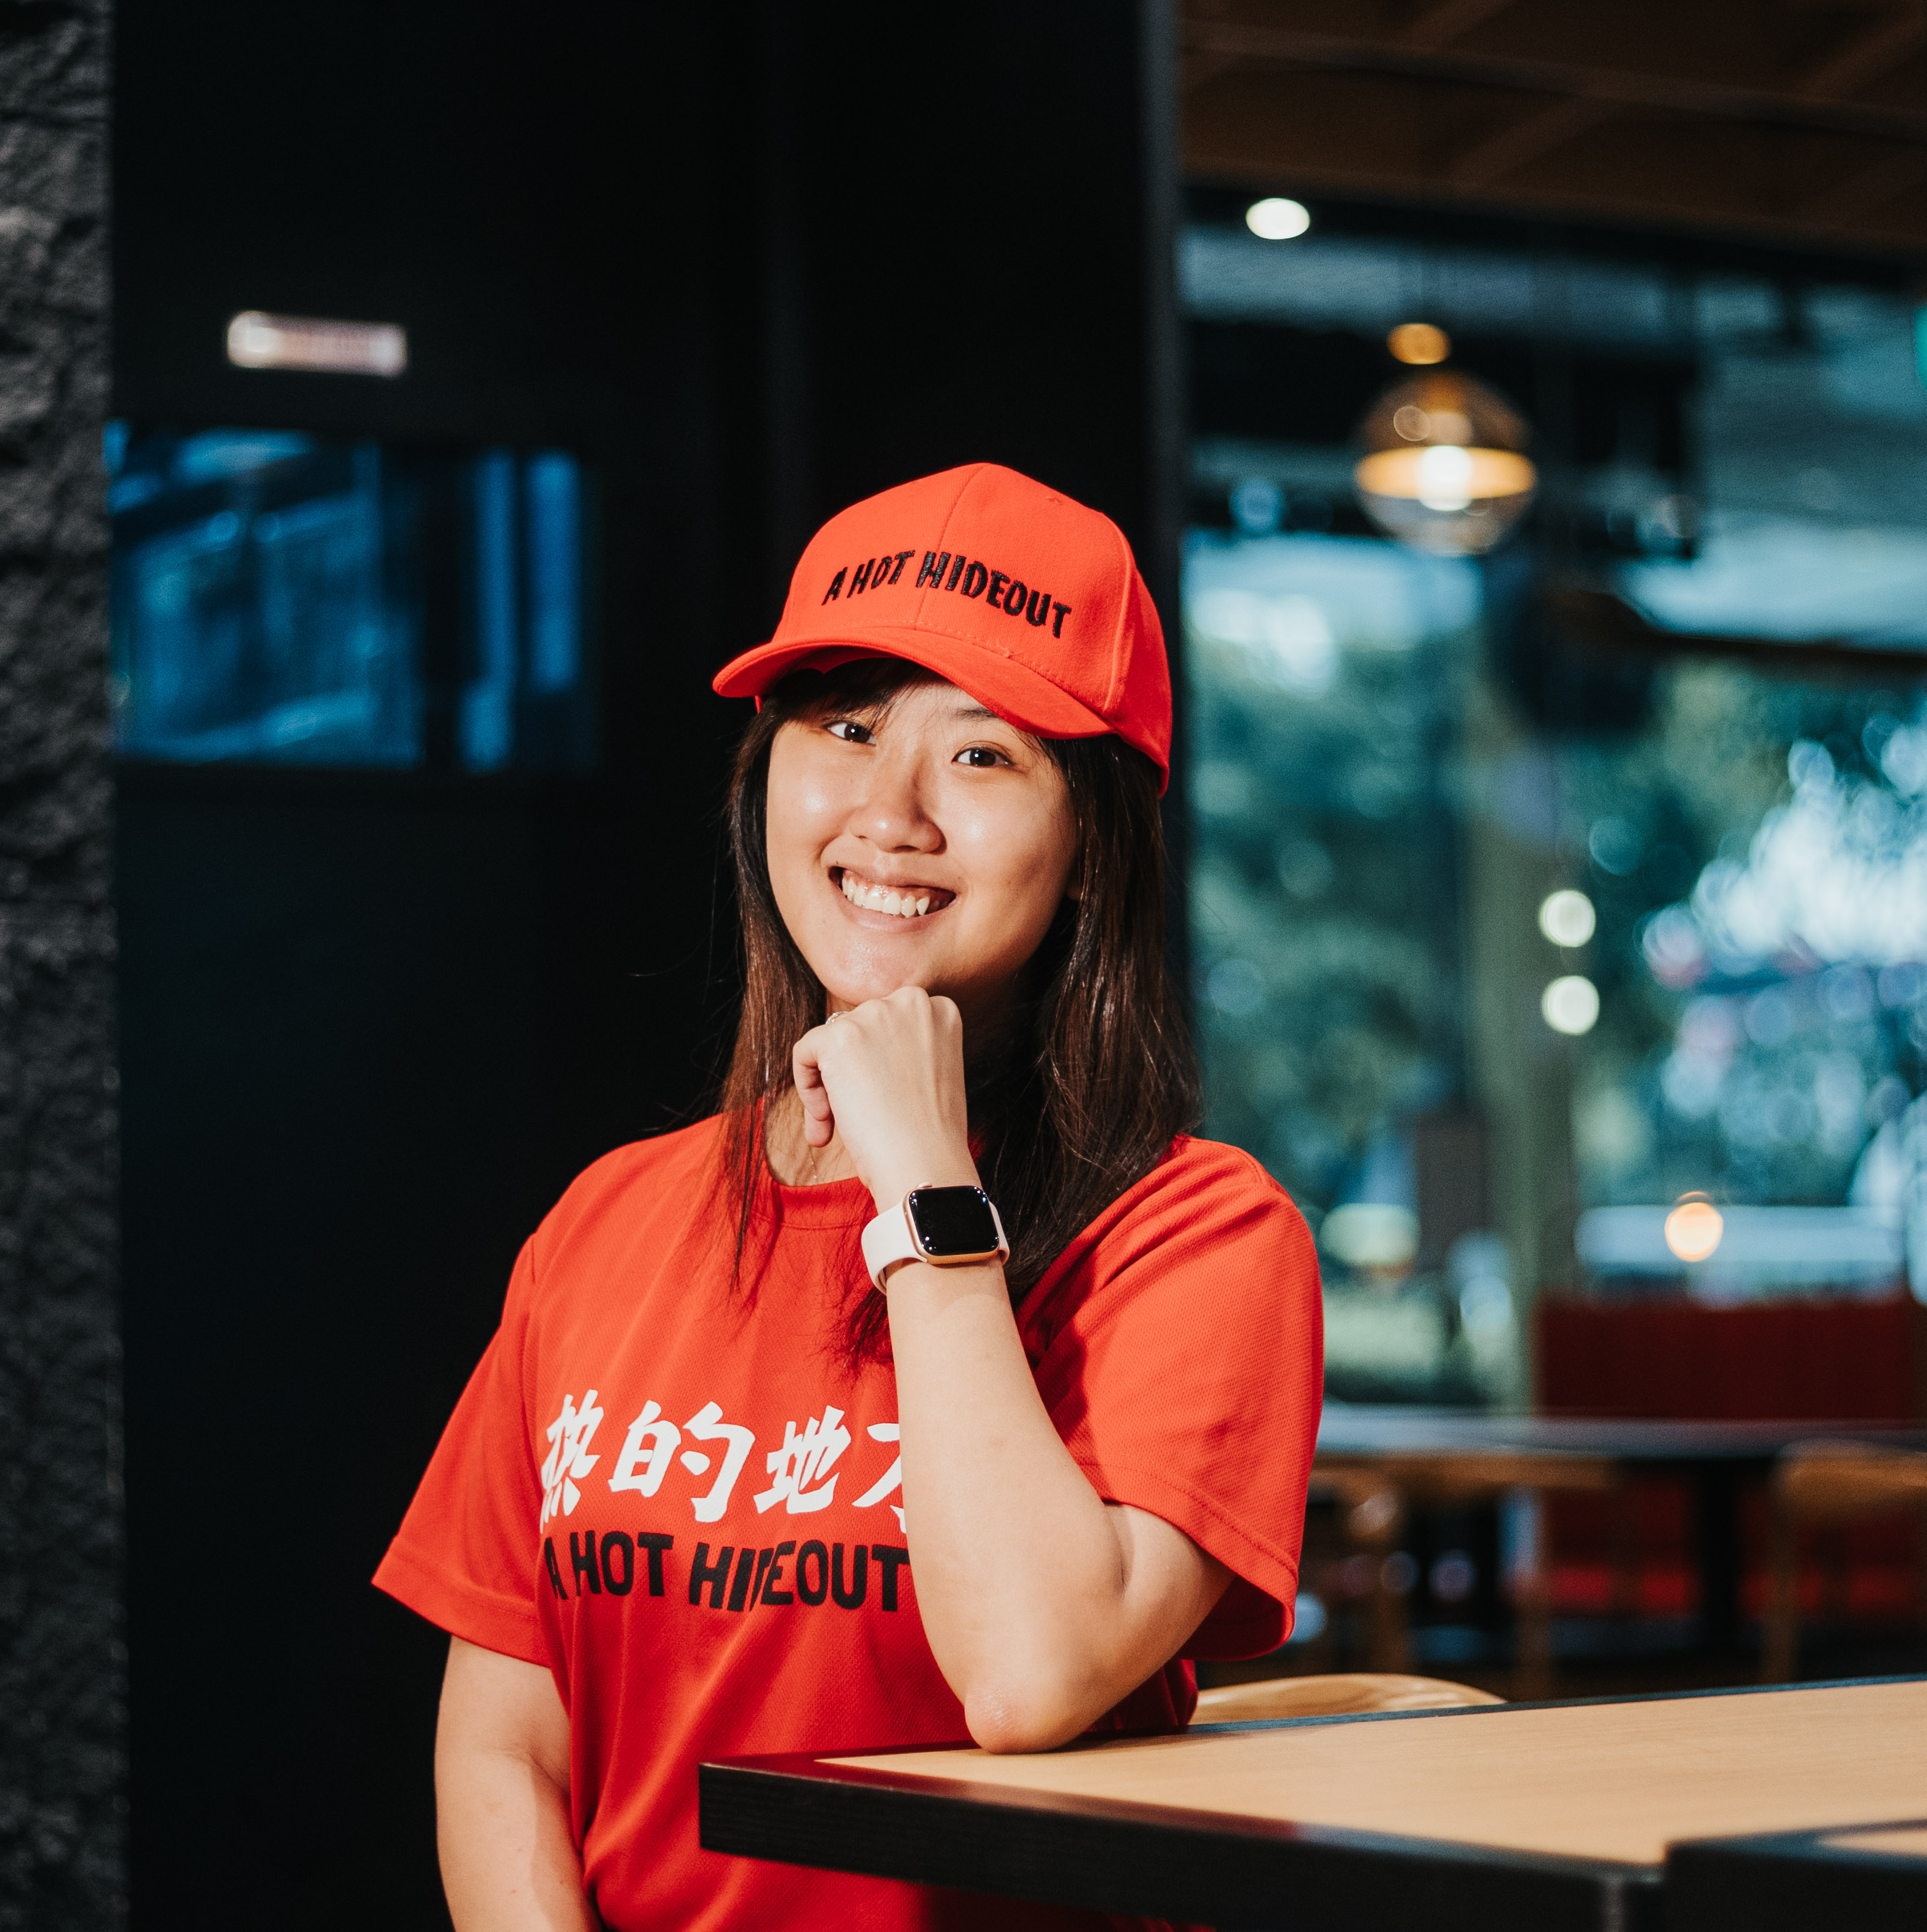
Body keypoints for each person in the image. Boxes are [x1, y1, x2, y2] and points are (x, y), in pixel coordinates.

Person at [377, 463, 1323, 1931]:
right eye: (847, 725)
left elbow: (1025, 1674)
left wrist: (928, 1195)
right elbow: (508, 1743)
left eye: (985, 754)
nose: (890, 811)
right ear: (768, 768)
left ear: (1091, 849)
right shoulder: (607, 1222)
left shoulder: (1200, 1235)